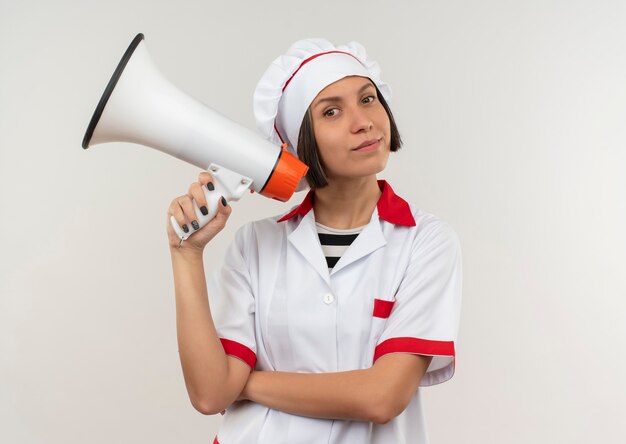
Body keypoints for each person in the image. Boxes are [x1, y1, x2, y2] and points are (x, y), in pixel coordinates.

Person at [166, 38, 462, 444]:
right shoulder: (254, 244)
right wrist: (186, 253)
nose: (363, 121)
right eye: (332, 111)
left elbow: (382, 397)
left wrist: (248, 384)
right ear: (301, 142)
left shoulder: (426, 241)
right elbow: (210, 392)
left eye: (368, 99)